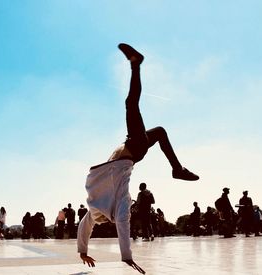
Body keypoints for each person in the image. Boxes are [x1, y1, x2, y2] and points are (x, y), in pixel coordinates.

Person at [77, 43, 199, 274]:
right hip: (134, 149)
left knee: (161, 131)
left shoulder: (95, 207)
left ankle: (177, 169)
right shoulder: (119, 201)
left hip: (131, 147)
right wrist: (127, 257)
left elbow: (85, 226)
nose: (131, 209)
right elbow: (122, 225)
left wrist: (82, 251)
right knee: (131, 104)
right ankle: (136, 63)